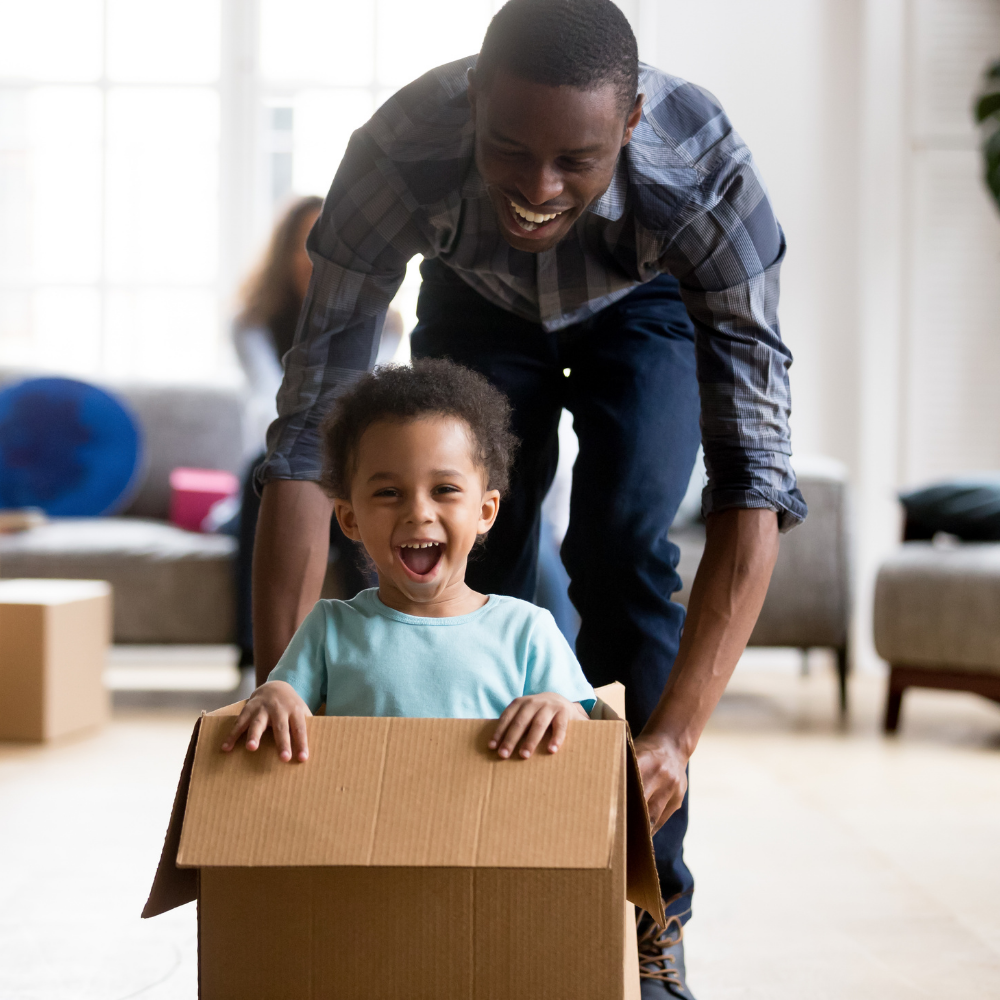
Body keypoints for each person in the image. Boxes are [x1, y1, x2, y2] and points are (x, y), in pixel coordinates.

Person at [253, 2, 807, 996]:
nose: (537, 189)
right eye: (509, 149)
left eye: (575, 160)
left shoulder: (708, 181)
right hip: (477, 301)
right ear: (473, 105)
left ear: (630, 125)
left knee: (624, 542)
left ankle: (652, 907)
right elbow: (306, 440)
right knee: (477, 565)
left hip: (645, 307)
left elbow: (752, 478)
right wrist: (276, 690)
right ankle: (489, 869)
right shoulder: (397, 152)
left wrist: (674, 737)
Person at [223, 359, 597, 763]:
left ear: (485, 512)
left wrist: (562, 709)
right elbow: (281, 700)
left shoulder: (527, 631)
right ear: (349, 519)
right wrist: (274, 694)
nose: (419, 512)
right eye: (388, 493)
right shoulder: (329, 628)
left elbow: (584, 730)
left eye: (445, 489)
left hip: (485, 824)